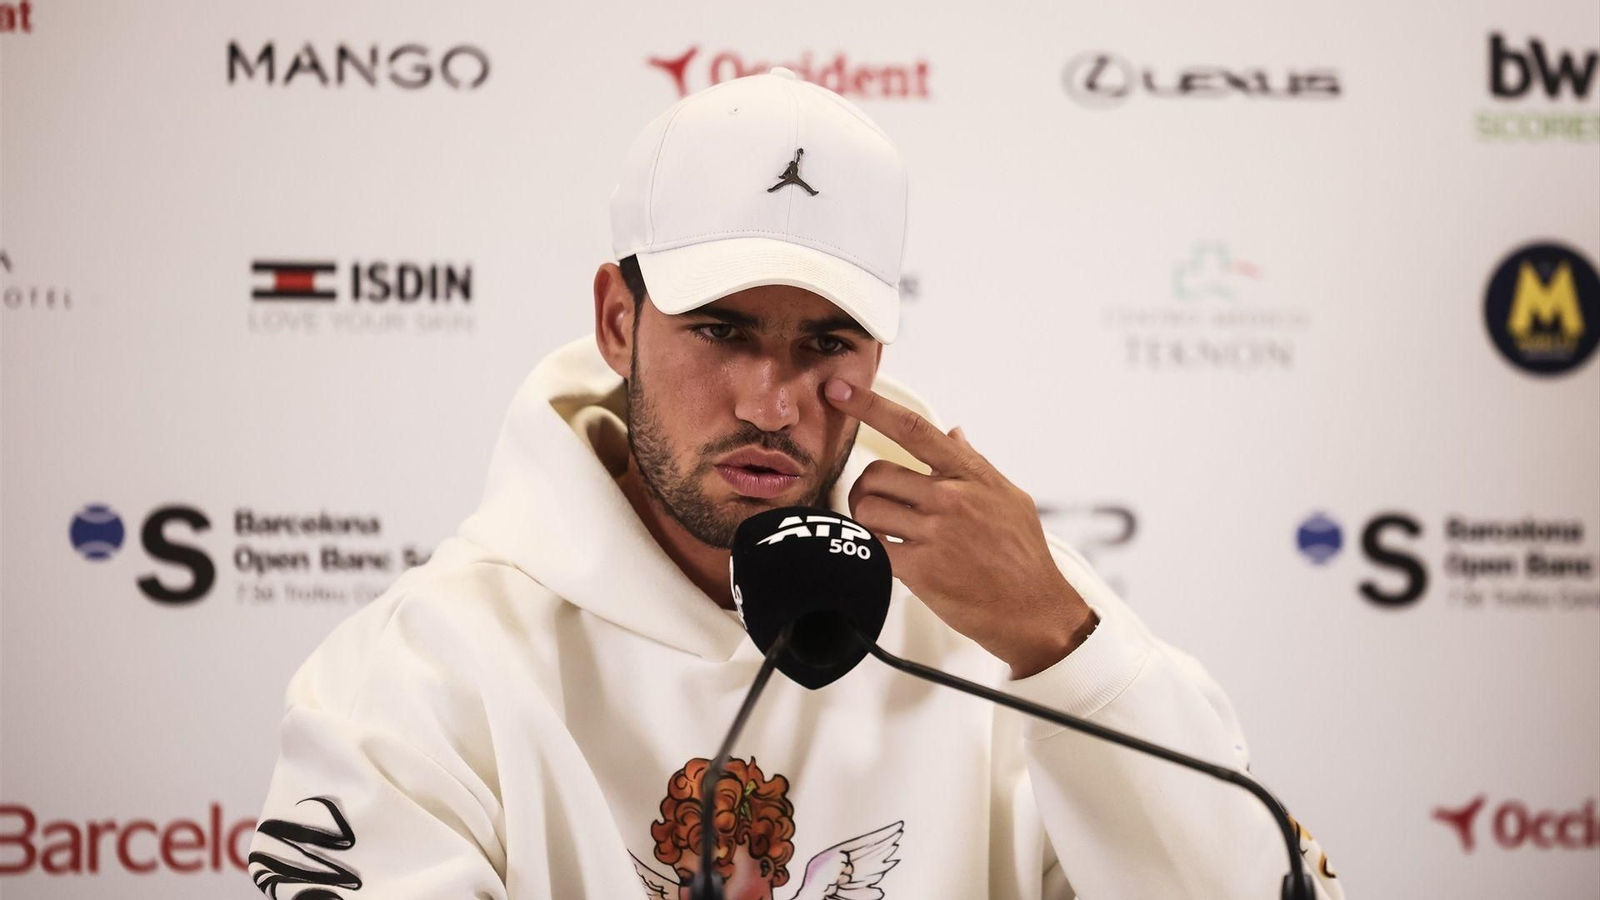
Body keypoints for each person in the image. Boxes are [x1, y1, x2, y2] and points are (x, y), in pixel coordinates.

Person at [248, 66, 1344, 900]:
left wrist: (1070, 647)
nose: (772, 401)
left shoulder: (1003, 629)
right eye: (721, 331)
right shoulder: (428, 664)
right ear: (617, 322)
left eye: (827, 343)